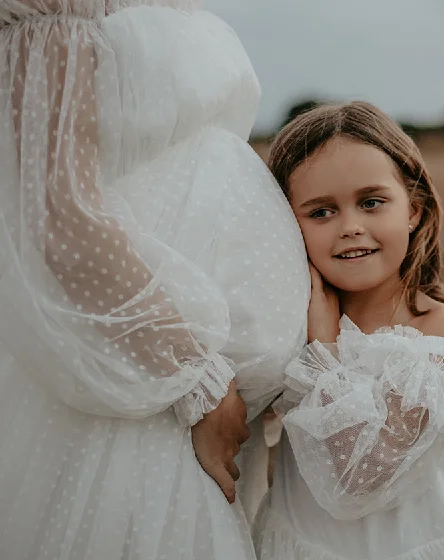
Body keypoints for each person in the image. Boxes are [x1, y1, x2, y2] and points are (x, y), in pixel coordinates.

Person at [0, 1, 308, 558]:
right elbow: (56, 217)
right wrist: (202, 383)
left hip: (177, 380)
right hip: (134, 381)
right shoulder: (56, 11)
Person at [255, 101, 444, 560]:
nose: (351, 227)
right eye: (321, 212)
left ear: (413, 209)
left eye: (371, 202)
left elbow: (358, 479)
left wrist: (325, 350)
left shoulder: (437, 330)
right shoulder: (290, 317)